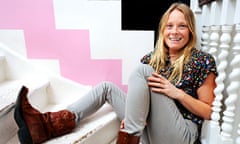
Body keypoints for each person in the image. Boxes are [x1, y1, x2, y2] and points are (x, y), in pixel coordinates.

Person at [14, 2, 217, 144]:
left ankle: (129, 133)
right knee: (106, 88)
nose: (174, 31)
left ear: (190, 31)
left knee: (142, 71)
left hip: (179, 136)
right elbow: (142, 102)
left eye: (182, 26)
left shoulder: (201, 60)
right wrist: (133, 115)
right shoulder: (151, 59)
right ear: (162, 30)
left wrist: (177, 93)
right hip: (149, 132)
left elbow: (208, 111)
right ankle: (44, 127)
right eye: (169, 26)